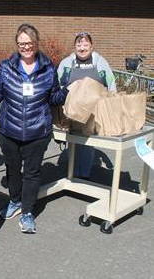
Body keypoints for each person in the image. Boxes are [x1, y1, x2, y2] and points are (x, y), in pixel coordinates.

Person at [0, 23, 69, 233]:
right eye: (21, 43)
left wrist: (68, 90)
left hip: (38, 131)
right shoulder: (6, 66)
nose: (25, 47)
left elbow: (54, 98)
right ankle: (15, 201)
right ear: (17, 44)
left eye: (29, 43)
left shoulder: (49, 68)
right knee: (13, 170)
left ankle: (27, 212)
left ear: (36, 43)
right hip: (9, 130)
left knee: (32, 173)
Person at [58, 32, 117, 179]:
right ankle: (72, 173)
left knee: (87, 142)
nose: (82, 48)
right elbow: (58, 84)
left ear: (91, 46)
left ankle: (83, 174)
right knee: (72, 141)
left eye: (85, 44)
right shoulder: (66, 63)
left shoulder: (100, 61)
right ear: (74, 47)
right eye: (79, 44)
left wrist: (113, 103)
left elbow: (110, 82)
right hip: (71, 111)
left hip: (93, 112)